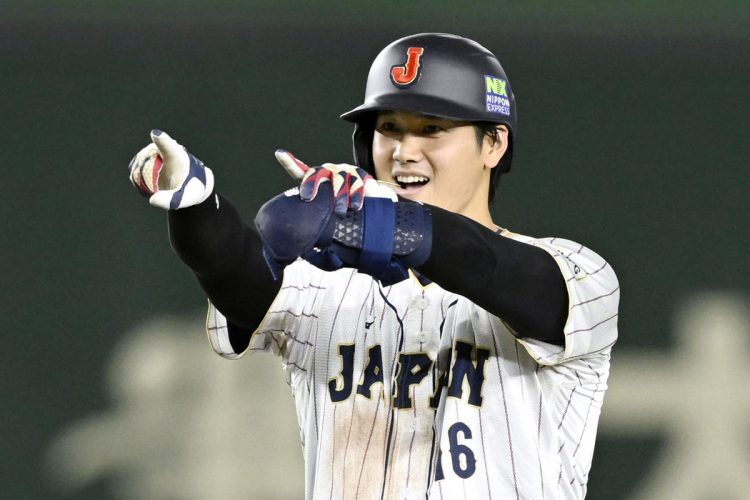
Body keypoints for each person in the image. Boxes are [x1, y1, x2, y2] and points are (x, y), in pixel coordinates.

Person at [129, 33, 619, 500]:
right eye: (390, 129)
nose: (405, 151)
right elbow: (237, 274)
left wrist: (374, 223)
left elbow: (497, 270)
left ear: (494, 143)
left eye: (432, 129)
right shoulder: (320, 284)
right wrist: (198, 211)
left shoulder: (580, 273)